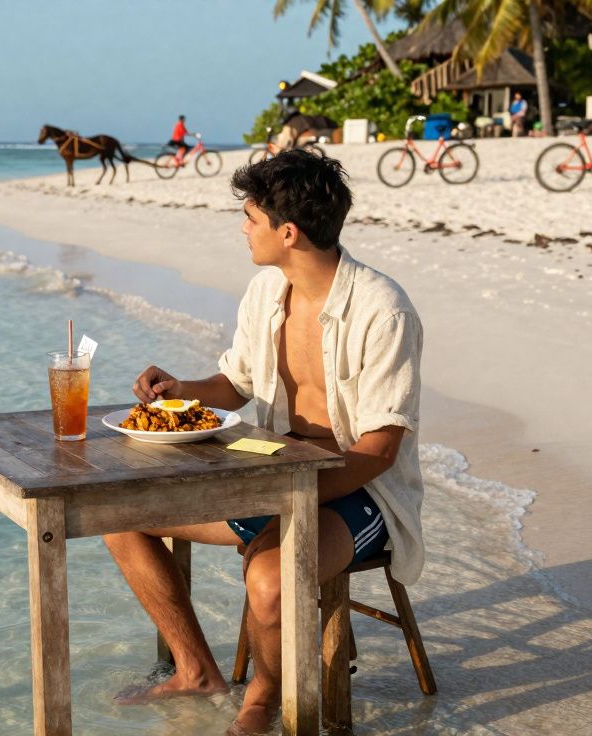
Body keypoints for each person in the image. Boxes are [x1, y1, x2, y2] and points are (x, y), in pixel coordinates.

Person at [104, 150, 425, 735]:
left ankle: (262, 699)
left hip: (362, 490)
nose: (243, 229)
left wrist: (290, 494)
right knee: (120, 513)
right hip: (272, 467)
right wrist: (181, 388)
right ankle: (195, 670)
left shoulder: (383, 310)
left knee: (270, 581)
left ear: (288, 232)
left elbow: (380, 450)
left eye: (250, 217)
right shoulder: (266, 291)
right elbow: (237, 384)